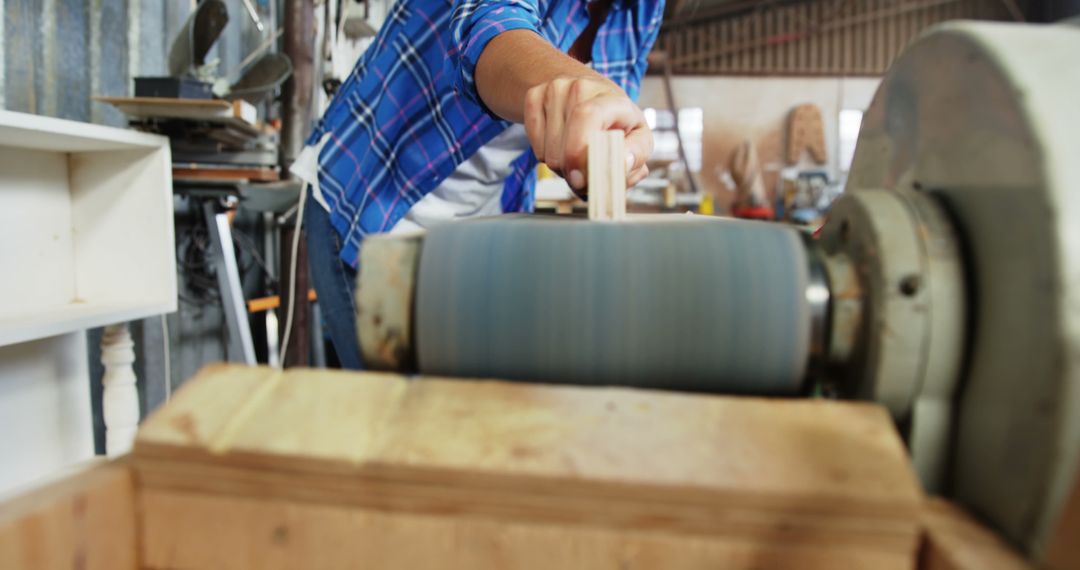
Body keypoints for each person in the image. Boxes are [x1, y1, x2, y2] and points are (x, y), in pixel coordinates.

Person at [292, 0, 665, 368]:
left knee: (475, 405)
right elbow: (487, 26)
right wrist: (579, 89)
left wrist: (602, 160)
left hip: (481, 230)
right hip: (375, 204)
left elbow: (603, 122)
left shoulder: (644, 8)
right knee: (400, 412)